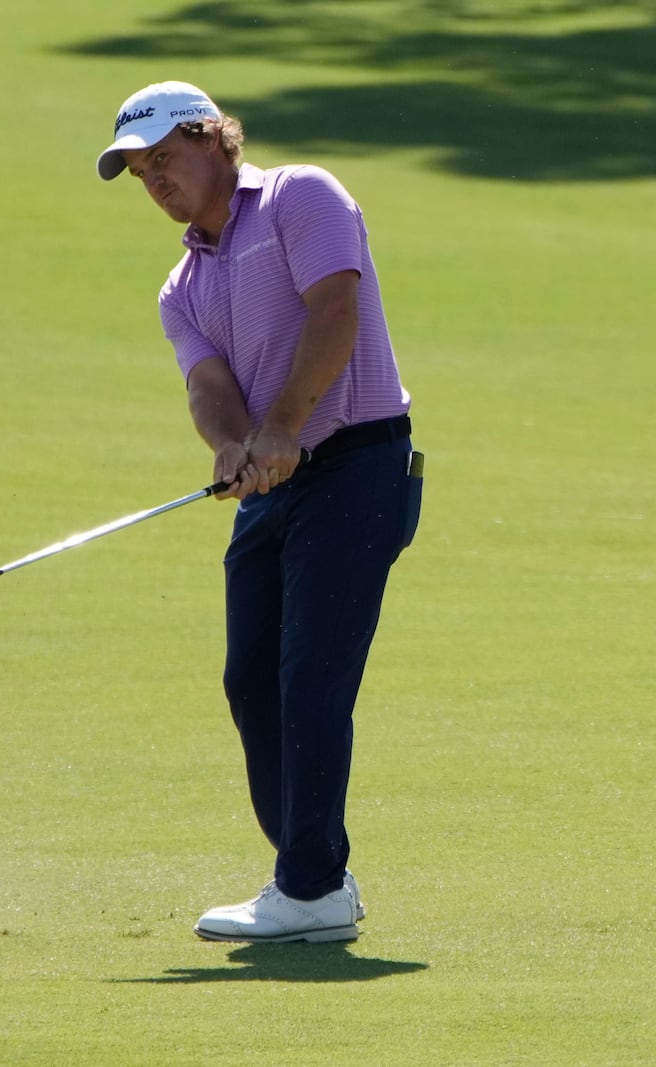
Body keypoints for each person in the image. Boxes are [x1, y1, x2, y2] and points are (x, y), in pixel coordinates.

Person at [96, 82, 421, 943]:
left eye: (164, 158)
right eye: (139, 172)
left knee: (311, 678)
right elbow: (207, 385)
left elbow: (336, 311)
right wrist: (239, 443)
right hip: (278, 485)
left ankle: (308, 884)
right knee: (253, 680)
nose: (154, 181)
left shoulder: (299, 197)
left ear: (217, 141)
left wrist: (281, 427)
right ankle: (314, 877)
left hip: (358, 464)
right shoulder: (181, 285)